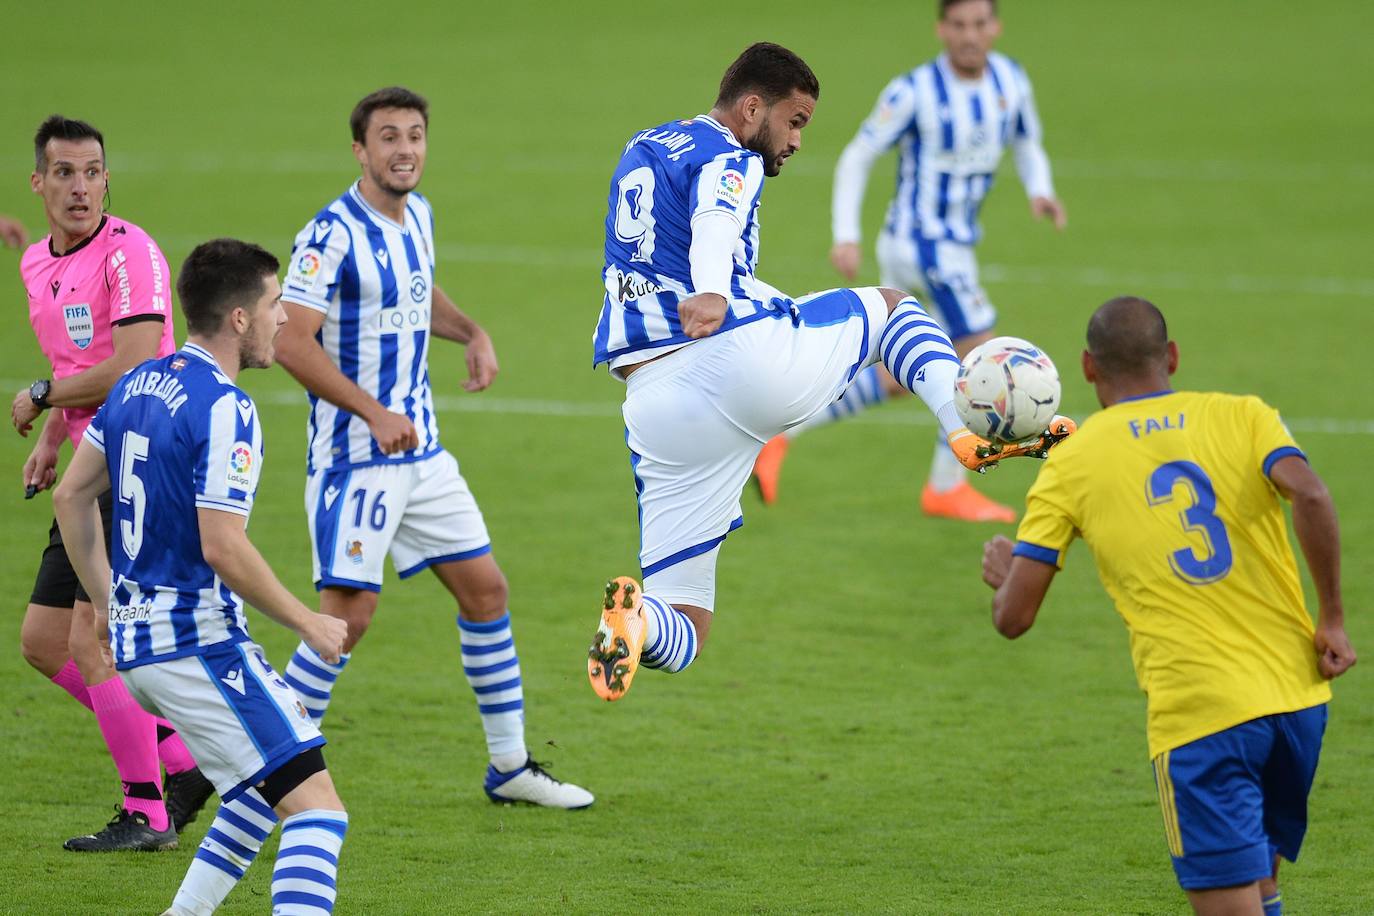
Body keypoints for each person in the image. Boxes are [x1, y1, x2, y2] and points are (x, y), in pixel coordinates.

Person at [587, 42, 1072, 702]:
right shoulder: (730, 154)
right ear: (753, 106)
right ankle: (964, 429)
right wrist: (710, 290)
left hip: (654, 402)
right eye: (795, 121)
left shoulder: (647, 144)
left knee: (686, 627)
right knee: (895, 311)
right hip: (731, 358)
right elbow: (715, 217)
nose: (795, 141)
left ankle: (636, 621)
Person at [981, 296, 1356, 916]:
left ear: (1088, 368)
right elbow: (1311, 495)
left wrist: (1003, 578)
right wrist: (1333, 617)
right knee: (1262, 887)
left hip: (1203, 716)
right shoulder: (1245, 415)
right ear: (1173, 357)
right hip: (1298, 702)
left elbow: (1014, 619)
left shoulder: (1071, 459)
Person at [274, 86, 592, 808]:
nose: (404, 149)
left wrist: (472, 331)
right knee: (344, 622)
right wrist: (372, 410)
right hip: (356, 459)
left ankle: (509, 768)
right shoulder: (330, 234)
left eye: (415, 135)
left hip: (423, 455)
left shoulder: (419, 215)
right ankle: (269, 760)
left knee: (487, 591)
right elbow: (289, 339)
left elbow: (418, 291)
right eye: (388, 137)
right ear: (360, 150)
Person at [55, 238, 353, 916]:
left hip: (140, 649)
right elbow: (223, 546)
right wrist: (307, 621)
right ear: (240, 319)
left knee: (255, 793)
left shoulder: (135, 383)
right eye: (275, 303)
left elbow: (71, 496)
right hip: (196, 648)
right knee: (318, 812)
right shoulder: (225, 408)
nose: (285, 317)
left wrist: (108, 602)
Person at [752, 0, 1066, 523]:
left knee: (901, 374)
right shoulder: (914, 90)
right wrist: (845, 234)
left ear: (995, 28)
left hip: (951, 244)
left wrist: (1041, 190)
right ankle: (946, 487)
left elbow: (1028, 142)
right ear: (942, 29)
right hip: (924, 244)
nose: (969, 35)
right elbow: (858, 155)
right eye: (959, 25)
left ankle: (781, 435)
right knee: (976, 357)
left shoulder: (1011, 81)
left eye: (979, 24)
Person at [14, 114, 213, 851]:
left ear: (106, 179)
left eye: (92, 171)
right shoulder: (36, 261)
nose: (80, 187)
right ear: (38, 182)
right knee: (44, 644)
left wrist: (39, 398)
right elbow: (78, 368)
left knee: (93, 637)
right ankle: (184, 758)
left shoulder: (131, 254)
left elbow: (132, 364)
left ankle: (147, 811)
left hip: (143, 459)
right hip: (90, 460)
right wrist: (55, 443)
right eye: (64, 172)